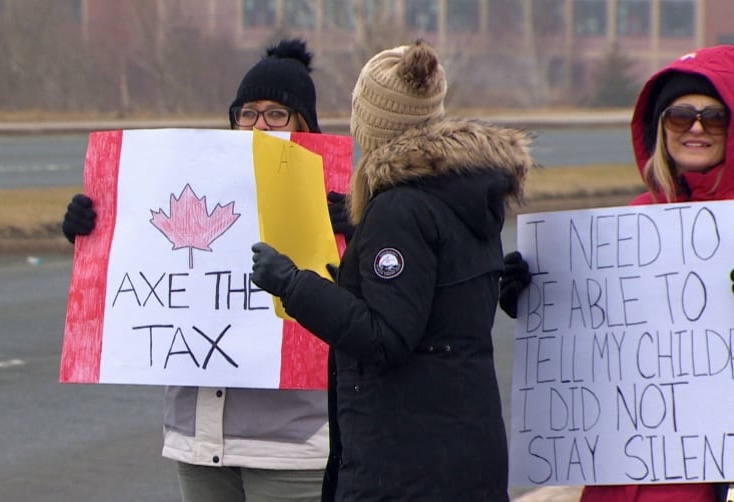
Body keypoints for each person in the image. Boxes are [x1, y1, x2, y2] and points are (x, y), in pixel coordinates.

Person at [62, 38, 353, 502]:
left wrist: (353, 238)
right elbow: (141, 264)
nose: (259, 125)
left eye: (276, 114)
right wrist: (94, 231)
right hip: (195, 441)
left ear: (304, 124)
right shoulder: (190, 178)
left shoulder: (339, 199)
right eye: (248, 112)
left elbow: (361, 314)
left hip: (289, 445)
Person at [250, 40, 536, 501]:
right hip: (465, 449)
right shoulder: (466, 191)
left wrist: (291, 284)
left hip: (403, 461)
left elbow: (385, 336)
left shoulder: (400, 208)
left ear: (371, 122)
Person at [499, 44, 734, 502]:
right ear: (660, 127)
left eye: (715, 117)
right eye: (680, 117)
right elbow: (598, 335)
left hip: (701, 476)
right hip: (616, 471)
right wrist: (535, 302)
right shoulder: (634, 218)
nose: (697, 129)